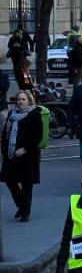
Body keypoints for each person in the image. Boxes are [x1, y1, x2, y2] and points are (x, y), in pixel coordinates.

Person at [0, 90, 42, 221]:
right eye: (19, 99)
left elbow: (37, 136)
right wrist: (5, 150)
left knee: (26, 184)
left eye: (24, 99)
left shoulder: (34, 115)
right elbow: (5, 133)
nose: (21, 102)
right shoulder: (12, 114)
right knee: (10, 181)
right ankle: (22, 206)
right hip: (11, 154)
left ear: (29, 101)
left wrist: (25, 149)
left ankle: (25, 213)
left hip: (27, 155)